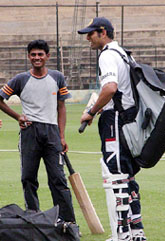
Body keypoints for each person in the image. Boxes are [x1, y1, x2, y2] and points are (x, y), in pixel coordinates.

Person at [78, 17, 146, 241]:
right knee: (127, 176)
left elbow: (109, 88)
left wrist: (91, 111)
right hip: (129, 119)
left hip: (115, 119)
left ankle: (122, 235)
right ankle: (136, 232)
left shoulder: (107, 54)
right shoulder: (125, 53)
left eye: (91, 33)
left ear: (103, 32)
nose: (88, 38)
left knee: (115, 176)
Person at [0, 40, 77, 226]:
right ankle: (33, 220)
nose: (37, 58)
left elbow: (61, 107)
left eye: (40, 54)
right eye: (33, 54)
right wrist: (17, 116)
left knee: (58, 179)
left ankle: (67, 223)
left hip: (51, 132)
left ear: (47, 56)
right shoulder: (20, 79)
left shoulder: (57, 77)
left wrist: (62, 135)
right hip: (29, 133)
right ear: (28, 57)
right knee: (28, 178)